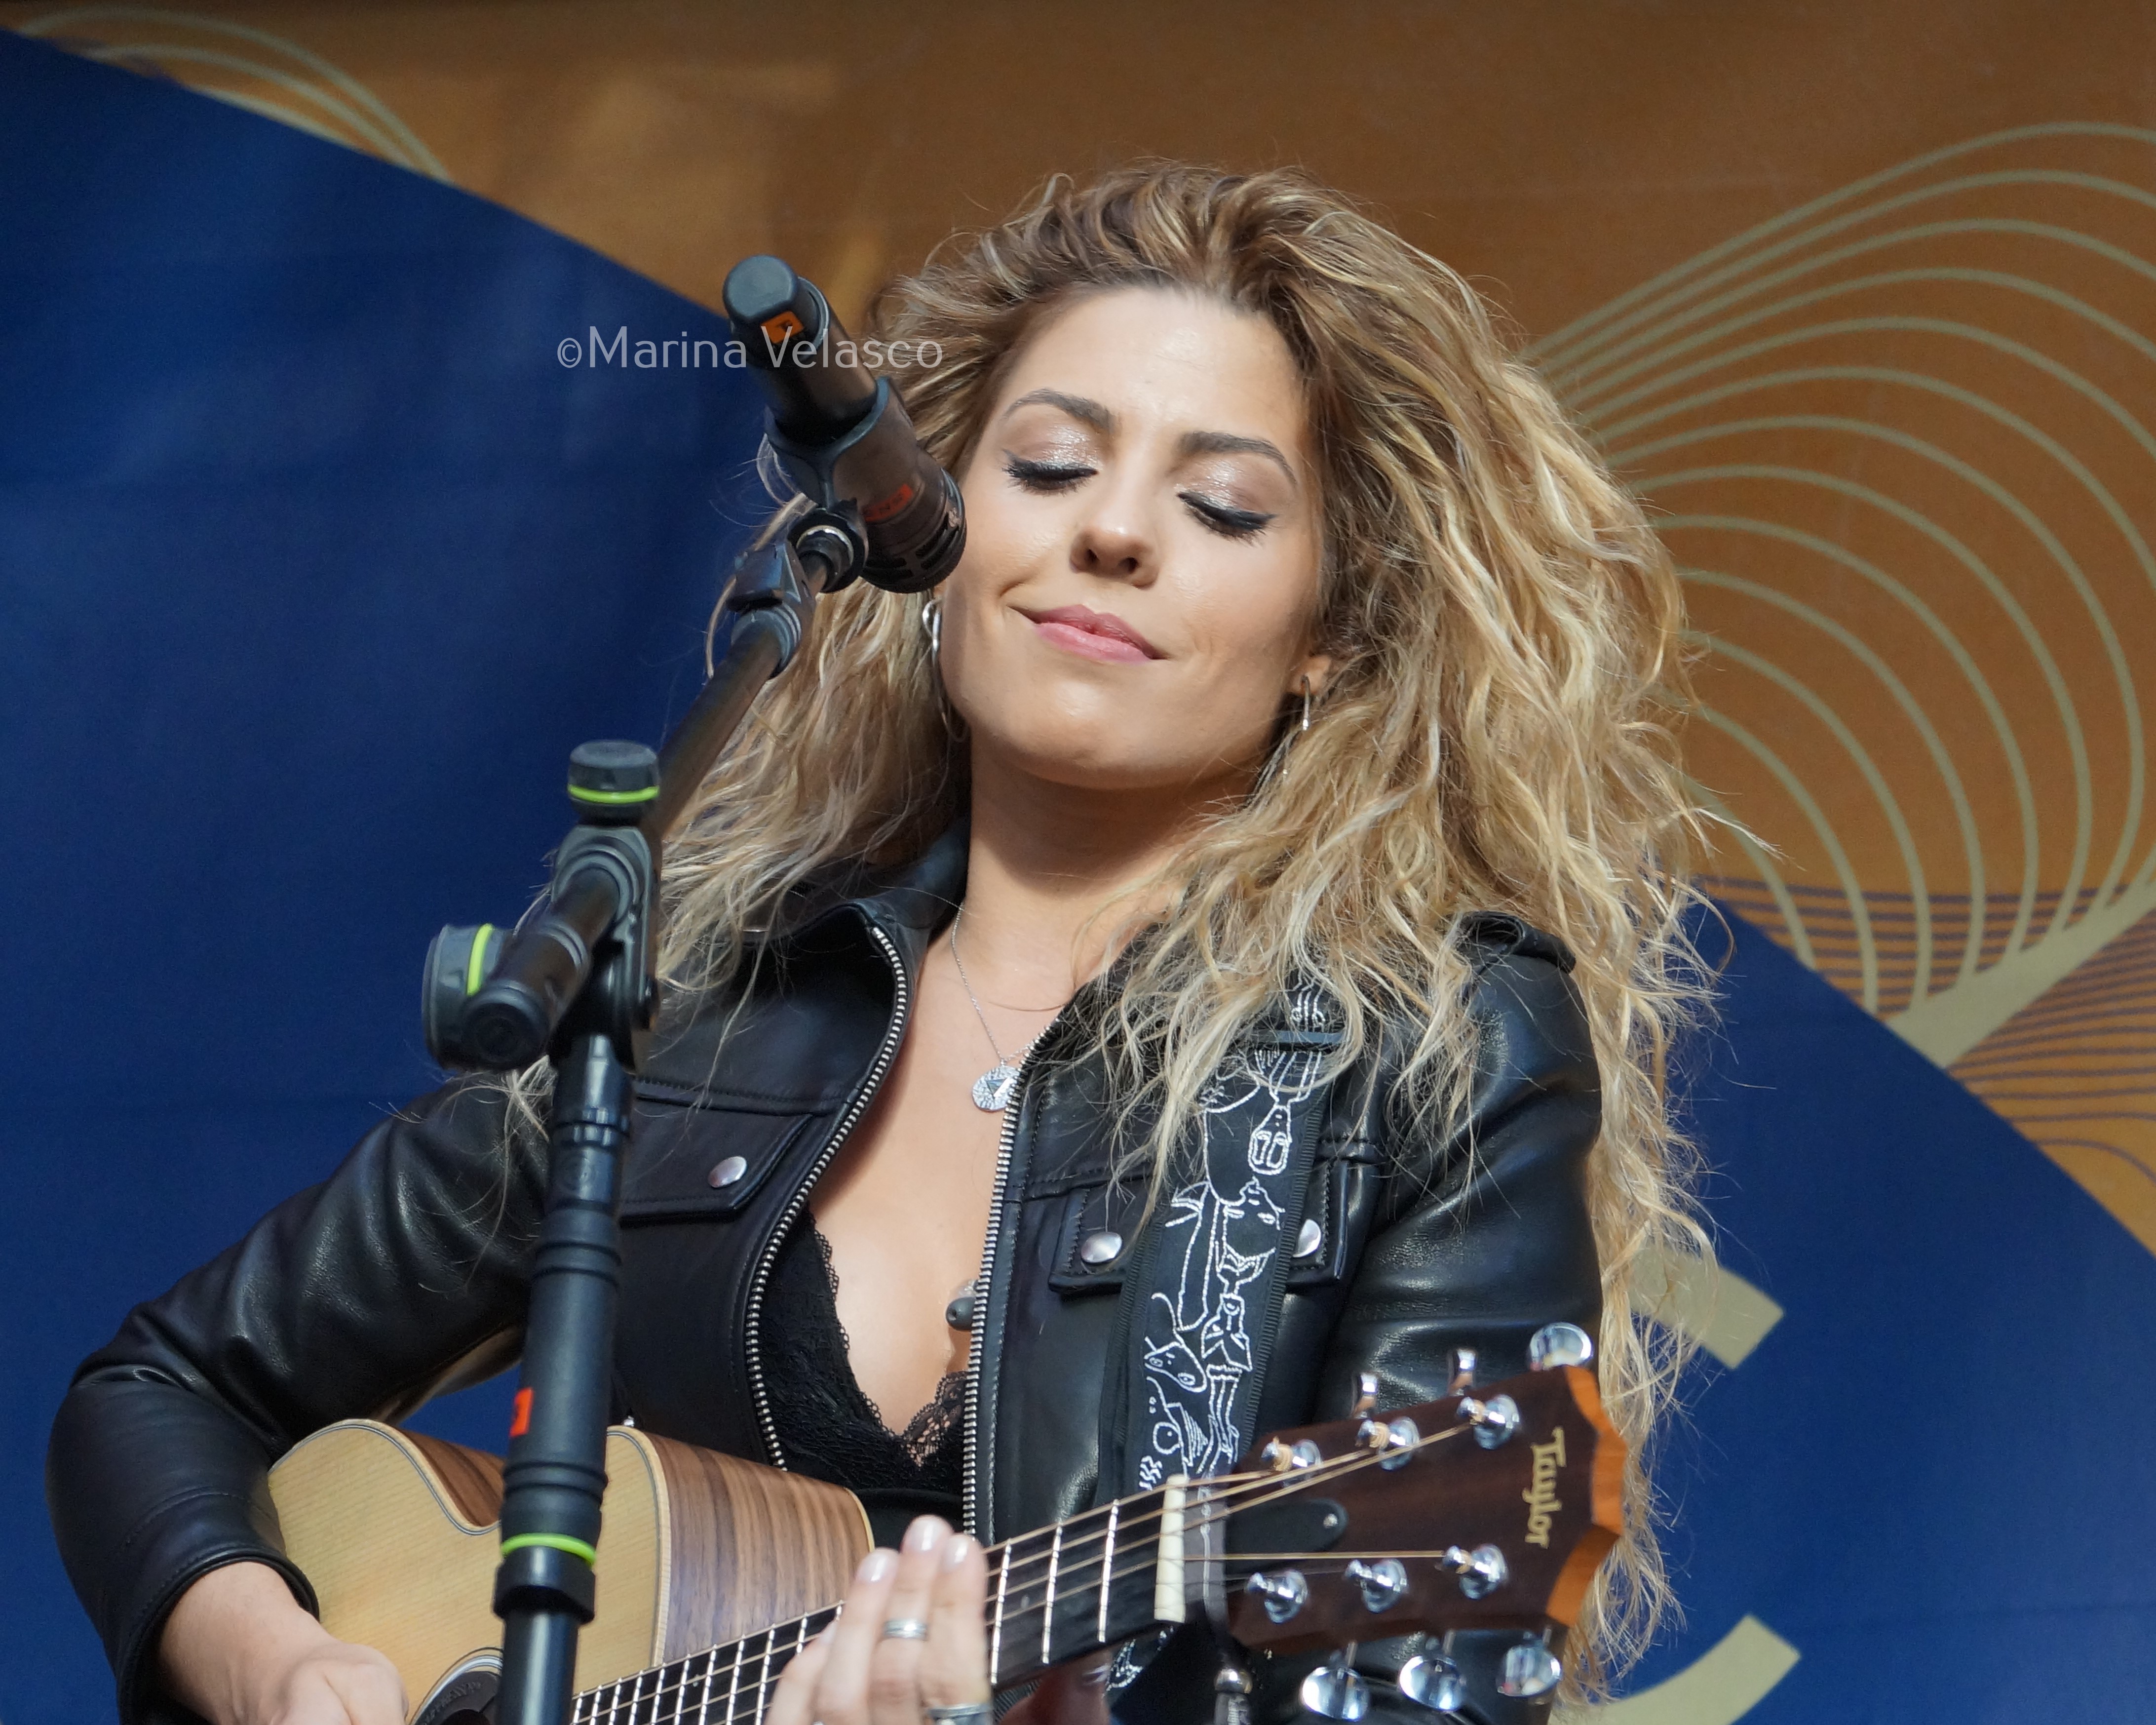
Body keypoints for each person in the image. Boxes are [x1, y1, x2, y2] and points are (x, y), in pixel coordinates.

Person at [47, 163, 1711, 1725]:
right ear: (932, 534)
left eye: (1220, 507)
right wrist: (277, 1666)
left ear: (1331, 636)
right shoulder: (697, 1013)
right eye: (1047, 467)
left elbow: (1416, 1674)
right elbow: (160, 1394)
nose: (1113, 532)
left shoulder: (1429, 1048)